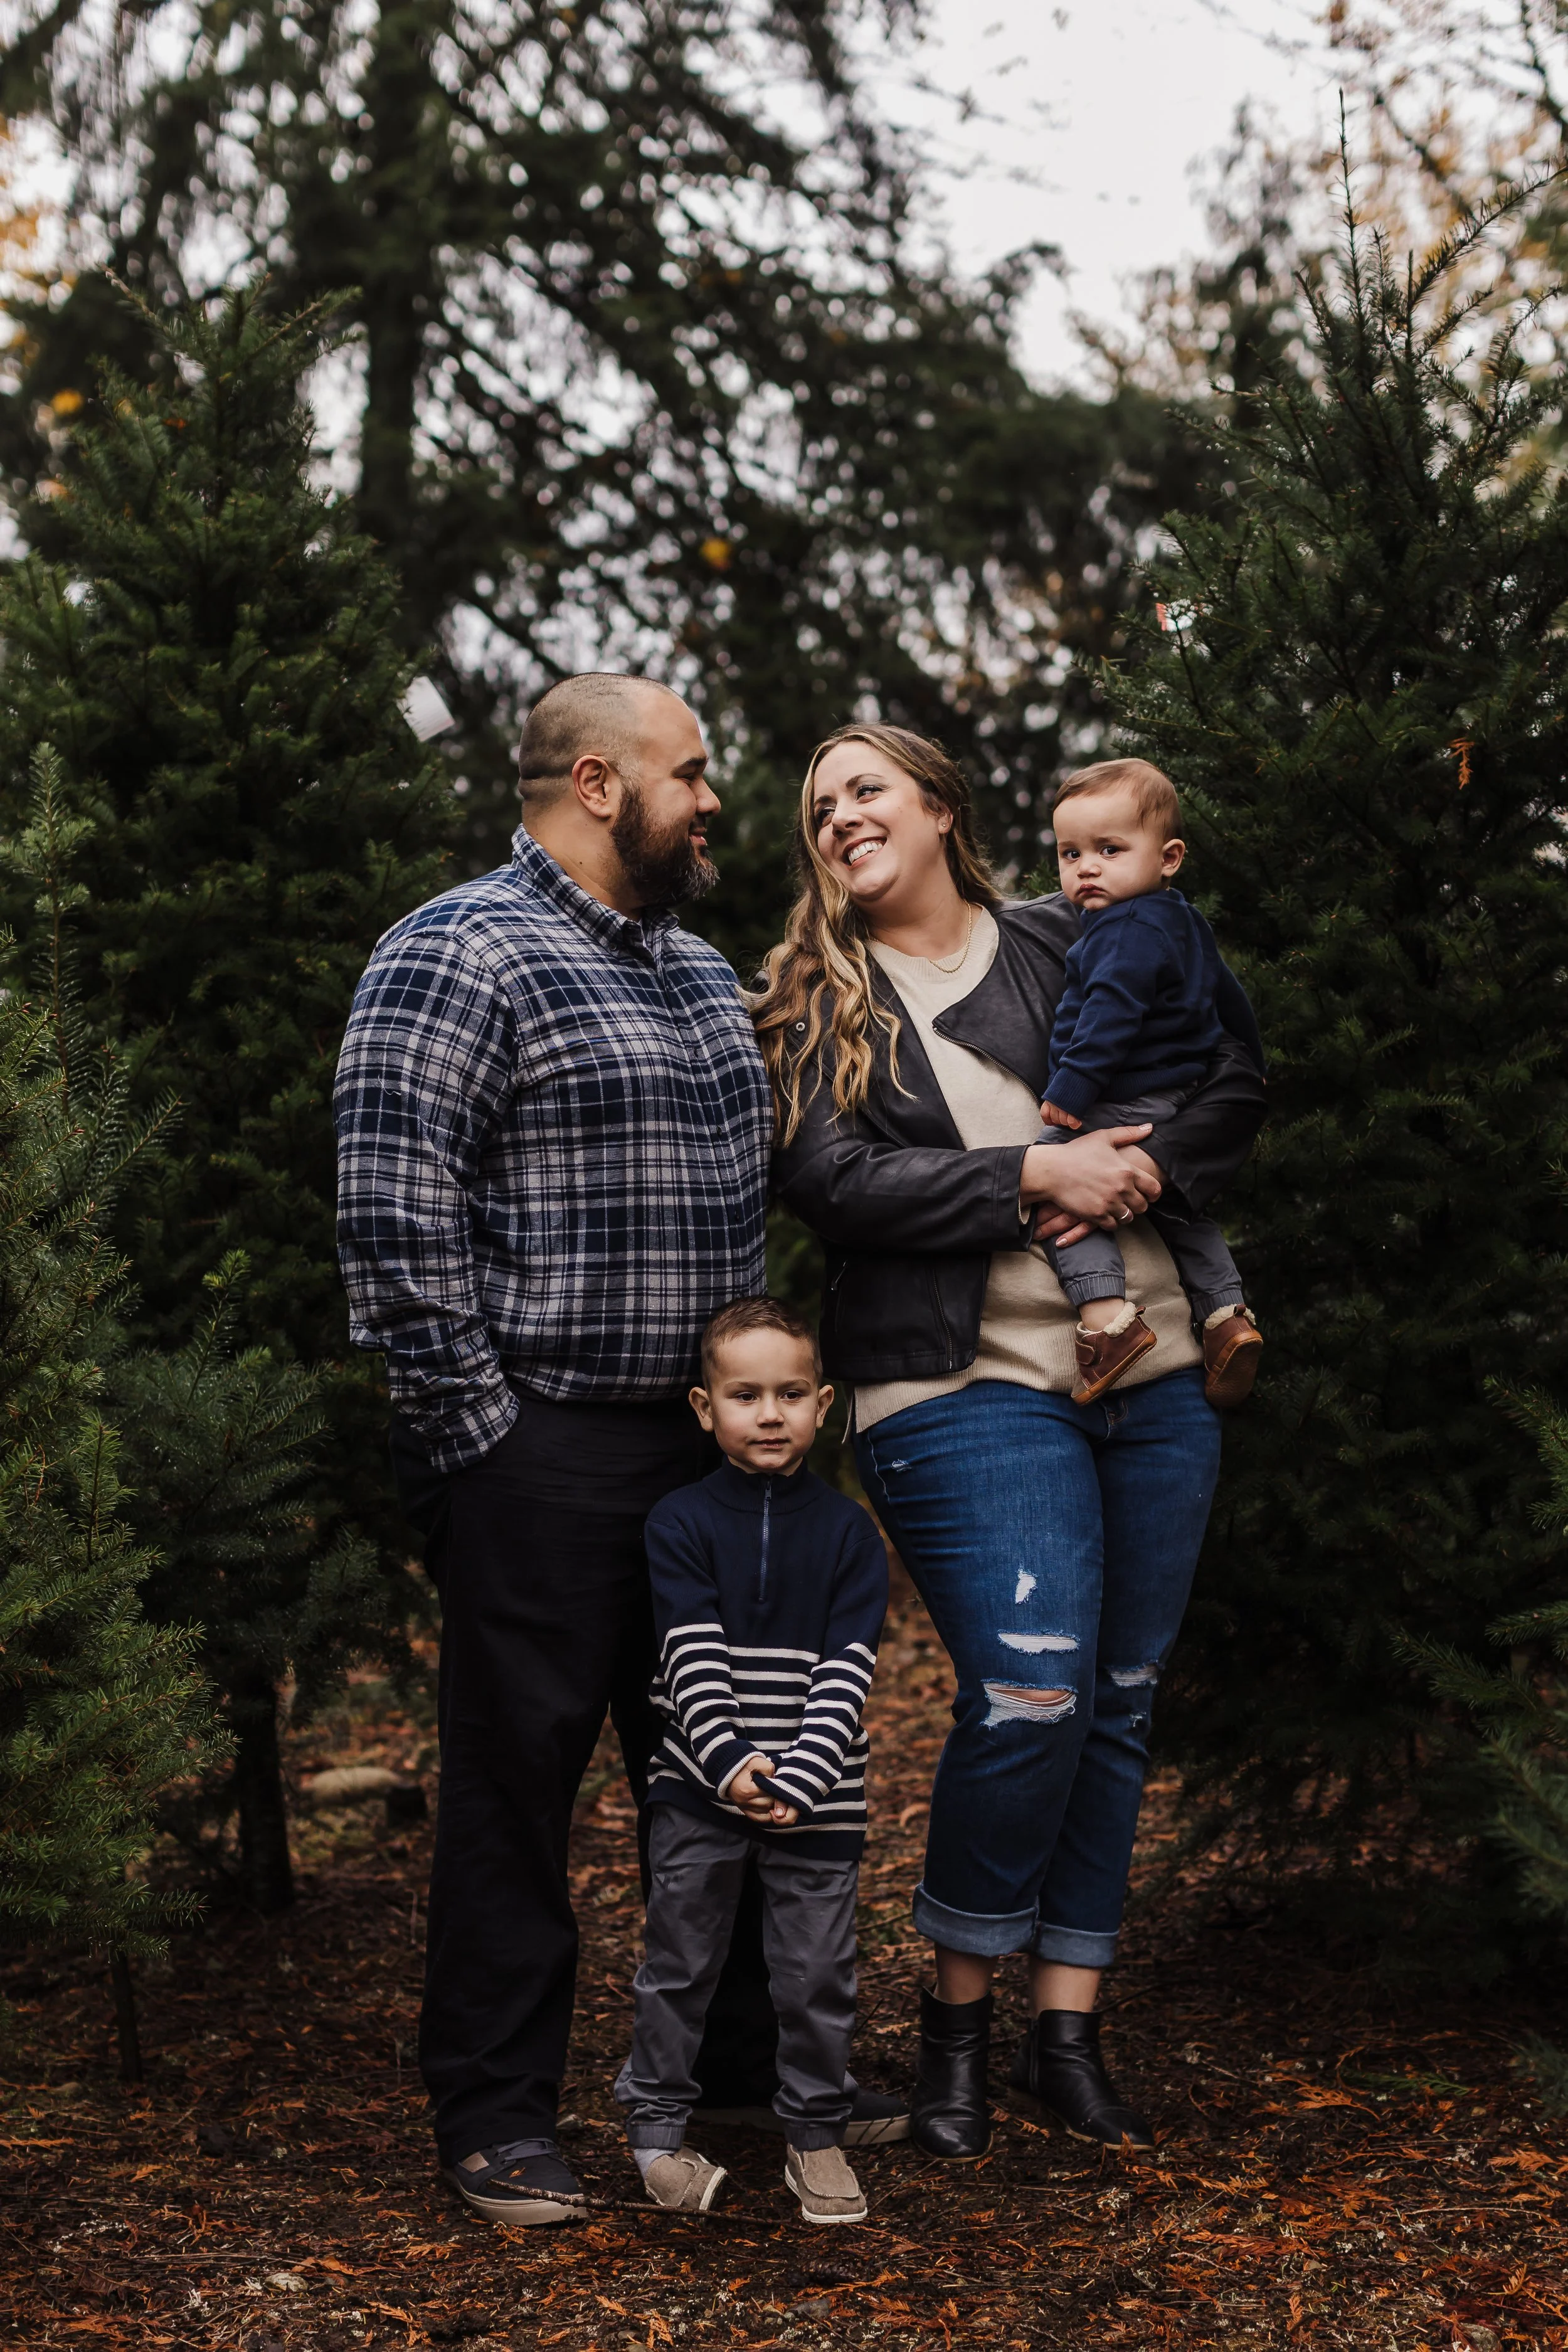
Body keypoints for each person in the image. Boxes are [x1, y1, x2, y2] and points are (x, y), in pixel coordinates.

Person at [334, 675, 906, 2228]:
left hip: (714, 1462)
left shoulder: (703, 974)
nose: (718, 797)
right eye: (695, 770)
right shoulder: (457, 949)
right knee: (519, 1788)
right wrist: (483, 1437)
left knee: (717, 1772)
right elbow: (395, 1215)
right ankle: (500, 2110)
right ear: (599, 781)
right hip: (542, 1447)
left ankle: (736, 2067)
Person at [753, 723, 1266, 2162]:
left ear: (936, 807)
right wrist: (1036, 1167)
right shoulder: (814, 996)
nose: (841, 812)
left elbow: (1233, 1066)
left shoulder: (1074, 930)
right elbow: (833, 1181)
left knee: (1115, 1692)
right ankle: (955, 2023)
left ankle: (1066, 2029)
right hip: (955, 1378)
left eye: (866, 786)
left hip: (1152, 1356)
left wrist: (1152, 1160)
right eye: (819, 804)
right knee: (1030, 1689)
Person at [615, 1296, 887, 2225]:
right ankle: (655, 2128)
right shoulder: (678, 1521)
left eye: (791, 1392)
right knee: (680, 1960)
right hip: (698, 1787)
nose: (769, 1413)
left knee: (815, 1972)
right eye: (745, 1393)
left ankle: (815, 2132)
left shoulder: (850, 1533)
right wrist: (730, 1764)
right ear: (704, 1407)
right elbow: (689, 1653)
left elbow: (850, 1665)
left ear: (824, 1404)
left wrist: (806, 1776)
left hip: (822, 1795)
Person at [1036, 758, 1264, 1407]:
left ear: (1168, 857)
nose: (1086, 868)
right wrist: (1252, 1055)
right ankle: (1226, 1317)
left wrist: (1070, 1093)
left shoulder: (1121, 930)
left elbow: (1110, 1013)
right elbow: (1231, 999)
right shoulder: (1180, 919)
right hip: (1180, 1089)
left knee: (1056, 1177)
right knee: (1177, 1206)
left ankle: (1107, 1320)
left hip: (1125, 1093)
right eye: (1070, 852)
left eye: (1109, 850)